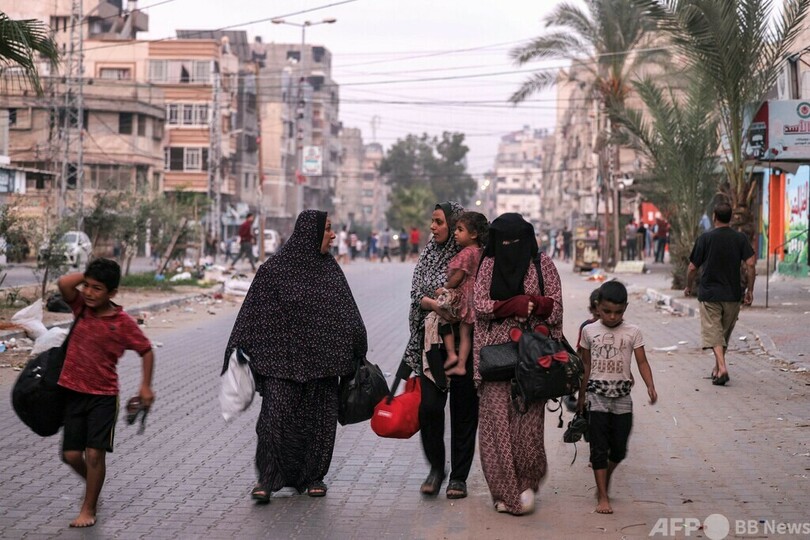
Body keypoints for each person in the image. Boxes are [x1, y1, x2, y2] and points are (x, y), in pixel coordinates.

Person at [224, 210, 368, 502]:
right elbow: (252, 312)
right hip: (282, 362)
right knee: (273, 421)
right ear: (309, 233)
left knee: (319, 422)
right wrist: (238, 347)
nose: (333, 235)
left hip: (323, 364)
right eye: (327, 229)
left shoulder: (330, 270)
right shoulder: (274, 270)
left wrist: (358, 347)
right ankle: (267, 479)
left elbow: (347, 312)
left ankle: (313, 477)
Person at [473, 213, 563, 515]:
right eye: (504, 241)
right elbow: (479, 305)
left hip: (532, 358)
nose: (510, 246)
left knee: (528, 429)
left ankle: (525, 483)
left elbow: (556, 306)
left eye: (516, 241)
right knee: (496, 428)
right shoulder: (488, 264)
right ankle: (505, 491)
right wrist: (508, 305)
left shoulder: (542, 263)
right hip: (495, 357)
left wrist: (536, 304)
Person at [56, 258, 155, 528]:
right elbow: (64, 284)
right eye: (86, 286)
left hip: (103, 397)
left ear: (112, 293)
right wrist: (88, 273)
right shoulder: (81, 309)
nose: (88, 292)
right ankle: (93, 484)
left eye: (97, 288)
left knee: (95, 454)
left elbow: (146, 349)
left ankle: (89, 508)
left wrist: (145, 386)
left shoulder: (122, 322)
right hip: (73, 393)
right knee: (72, 455)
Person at [398, 201, 478, 500]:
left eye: (439, 222)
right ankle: (435, 468)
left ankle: (458, 477)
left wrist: (444, 305)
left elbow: (473, 295)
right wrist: (436, 305)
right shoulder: (429, 253)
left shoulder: (471, 256)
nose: (433, 227)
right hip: (430, 341)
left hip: (464, 344)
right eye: (432, 221)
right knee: (430, 408)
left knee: (464, 410)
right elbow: (417, 293)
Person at [577, 280, 657, 515]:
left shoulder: (633, 332)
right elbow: (586, 365)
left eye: (618, 312)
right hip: (597, 397)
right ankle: (602, 495)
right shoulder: (589, 331)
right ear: (597, 307)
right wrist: (581, 396)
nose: (612, 317)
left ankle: (606, 477)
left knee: (619, 450)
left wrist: (650, 385)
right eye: (607, 311)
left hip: (622, 399)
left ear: (625, 308)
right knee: (599, 447)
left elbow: (642, 361)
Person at [684, 200, 755, 386]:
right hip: (733, 294)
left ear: (714, 217)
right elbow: (751, 263)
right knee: (722, 334)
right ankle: (717, 370)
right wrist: (750, 289)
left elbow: (692, 268)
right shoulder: (740, 239)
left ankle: (722, 368)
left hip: (710, 294)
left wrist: (688, 286)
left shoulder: (705, 238)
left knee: (714, 332)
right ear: (731, 218)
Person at [436, 211, 488, 377]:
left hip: (464, 296)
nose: (455, 233)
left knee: (443, 318)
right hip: (476, 296)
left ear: (473, 234)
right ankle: (461, 365)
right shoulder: (481, 251)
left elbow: (457, 277)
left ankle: (451, 354)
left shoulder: (466, 253)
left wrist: (444, 289)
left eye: (460, 230)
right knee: (466, 334)